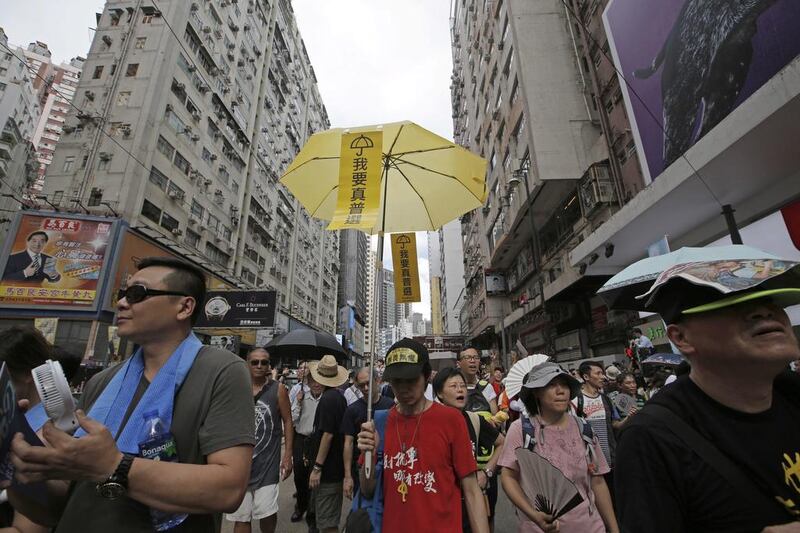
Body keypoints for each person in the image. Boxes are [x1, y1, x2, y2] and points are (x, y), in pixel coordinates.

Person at [8, 256, 255, 532]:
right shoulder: (102, 382)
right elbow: (58, 504)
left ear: (185, 307)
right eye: (122, 294)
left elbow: (228, 489)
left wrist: (115, 465)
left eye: (138, 294)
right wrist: (21, 466)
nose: (122, 303)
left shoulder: (221, 370)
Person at [614, 273, 800, 531]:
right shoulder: (651, 439)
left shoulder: (793, 396)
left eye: (770, 302)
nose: (764, 313)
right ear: (681, 338)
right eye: (731, 304)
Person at [357, 338, 489, 533]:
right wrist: (369, 453)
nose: (403, 388)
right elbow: (367, 490)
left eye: (411, 380)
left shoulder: (451, 420)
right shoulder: (381, 422)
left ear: (426, 376)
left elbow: (471, 490)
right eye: (396, 381)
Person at [498, 362, 619, 533]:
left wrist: (614, 528)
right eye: (551, 385)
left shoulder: (584, 428)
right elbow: (508, 477)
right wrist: (533, 514)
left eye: (564, 385)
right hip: (539, 528)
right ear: (537, 392)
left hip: (590, 526)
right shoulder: (521, 430)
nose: (560, 391)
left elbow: (597, 482)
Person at [225, 348, 293, 533]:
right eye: (255, 362)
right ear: (247, 363)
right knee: (241, 518)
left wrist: (287, 456)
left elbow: (287, 420)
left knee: (267, 514)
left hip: (267, 465)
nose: (259, 366)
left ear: (269, 366)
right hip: (239, 465)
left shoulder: (278, 389)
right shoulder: (236, 388)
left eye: (264, 362)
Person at [432, 367, 505, 533]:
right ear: (440, 394)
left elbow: (502, 443)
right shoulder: (431, 423)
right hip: (441, 504)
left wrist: (487, 472)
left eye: (462, 386)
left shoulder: (474, 420)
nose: (460, 390)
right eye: (453, 386)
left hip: (471, 501)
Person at [306, 355, 349, 533]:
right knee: (324, 518)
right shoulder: (336, 397)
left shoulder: (329, 399)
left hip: (329, 472)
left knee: (327, 523)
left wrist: (317, 467)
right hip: (331, 469)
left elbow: (328, 435)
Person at [572, 361, 623, 500]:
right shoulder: (576, 401)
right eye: (598, 373)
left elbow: (614, 424)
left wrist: (629, 418)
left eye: (603, 373)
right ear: (586, 377)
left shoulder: (606, 399)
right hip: (590, 463)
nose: (603, 377)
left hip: (611, 459)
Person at [340, 367, 393, 499]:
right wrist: (347, 476)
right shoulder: (352, 410)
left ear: (378, 381)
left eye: (369, 383)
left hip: (388, 465)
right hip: (361, 466)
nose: (366, 388)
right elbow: (348, 443)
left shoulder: (391, 406)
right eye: (361, 385)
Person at [290, 361, 322, 523]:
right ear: (308, 382)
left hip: (317, 442)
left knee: (314, 478)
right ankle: (300, 506)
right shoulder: (301, 395)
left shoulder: (326, 399)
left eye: (319, 381)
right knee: (299, 476)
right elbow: (293, 419)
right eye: (312, 380)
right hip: (301, 440)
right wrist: (299, 403)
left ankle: (312, 513)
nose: (316, 384)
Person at [458, 347, 498, 416]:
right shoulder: (454, 389)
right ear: (459, 364)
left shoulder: (487, 387)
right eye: (468, 357)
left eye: (476, 357)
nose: (472, 361)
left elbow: (495, 419)